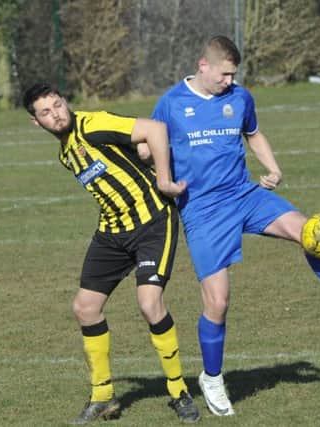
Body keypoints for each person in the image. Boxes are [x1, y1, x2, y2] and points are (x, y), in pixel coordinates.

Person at [150, 36, 320, 416]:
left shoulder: (240, 98)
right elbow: (151, 144)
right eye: (224, 74)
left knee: (313, 234)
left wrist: (272, 167)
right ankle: (212, 378)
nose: (229, 82)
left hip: (244, 195)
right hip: (203, 210)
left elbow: (253, 133)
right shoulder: (171, 103)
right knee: (218, 302)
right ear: (203, 65)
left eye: (234, 75)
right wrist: (162, 177)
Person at [22, 83, 200, 424]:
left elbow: (154, 129)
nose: (56, 114)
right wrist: (139, 152)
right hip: (112, 232)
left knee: (150, 304)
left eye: (57, 105)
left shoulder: (93, 124)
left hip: (152, 224)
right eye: (46, 112)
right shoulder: (66, 153)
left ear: (66, 101)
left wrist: (163, 179)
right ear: (36, 122)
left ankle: (179, 392)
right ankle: (102, 395)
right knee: (85, 308)